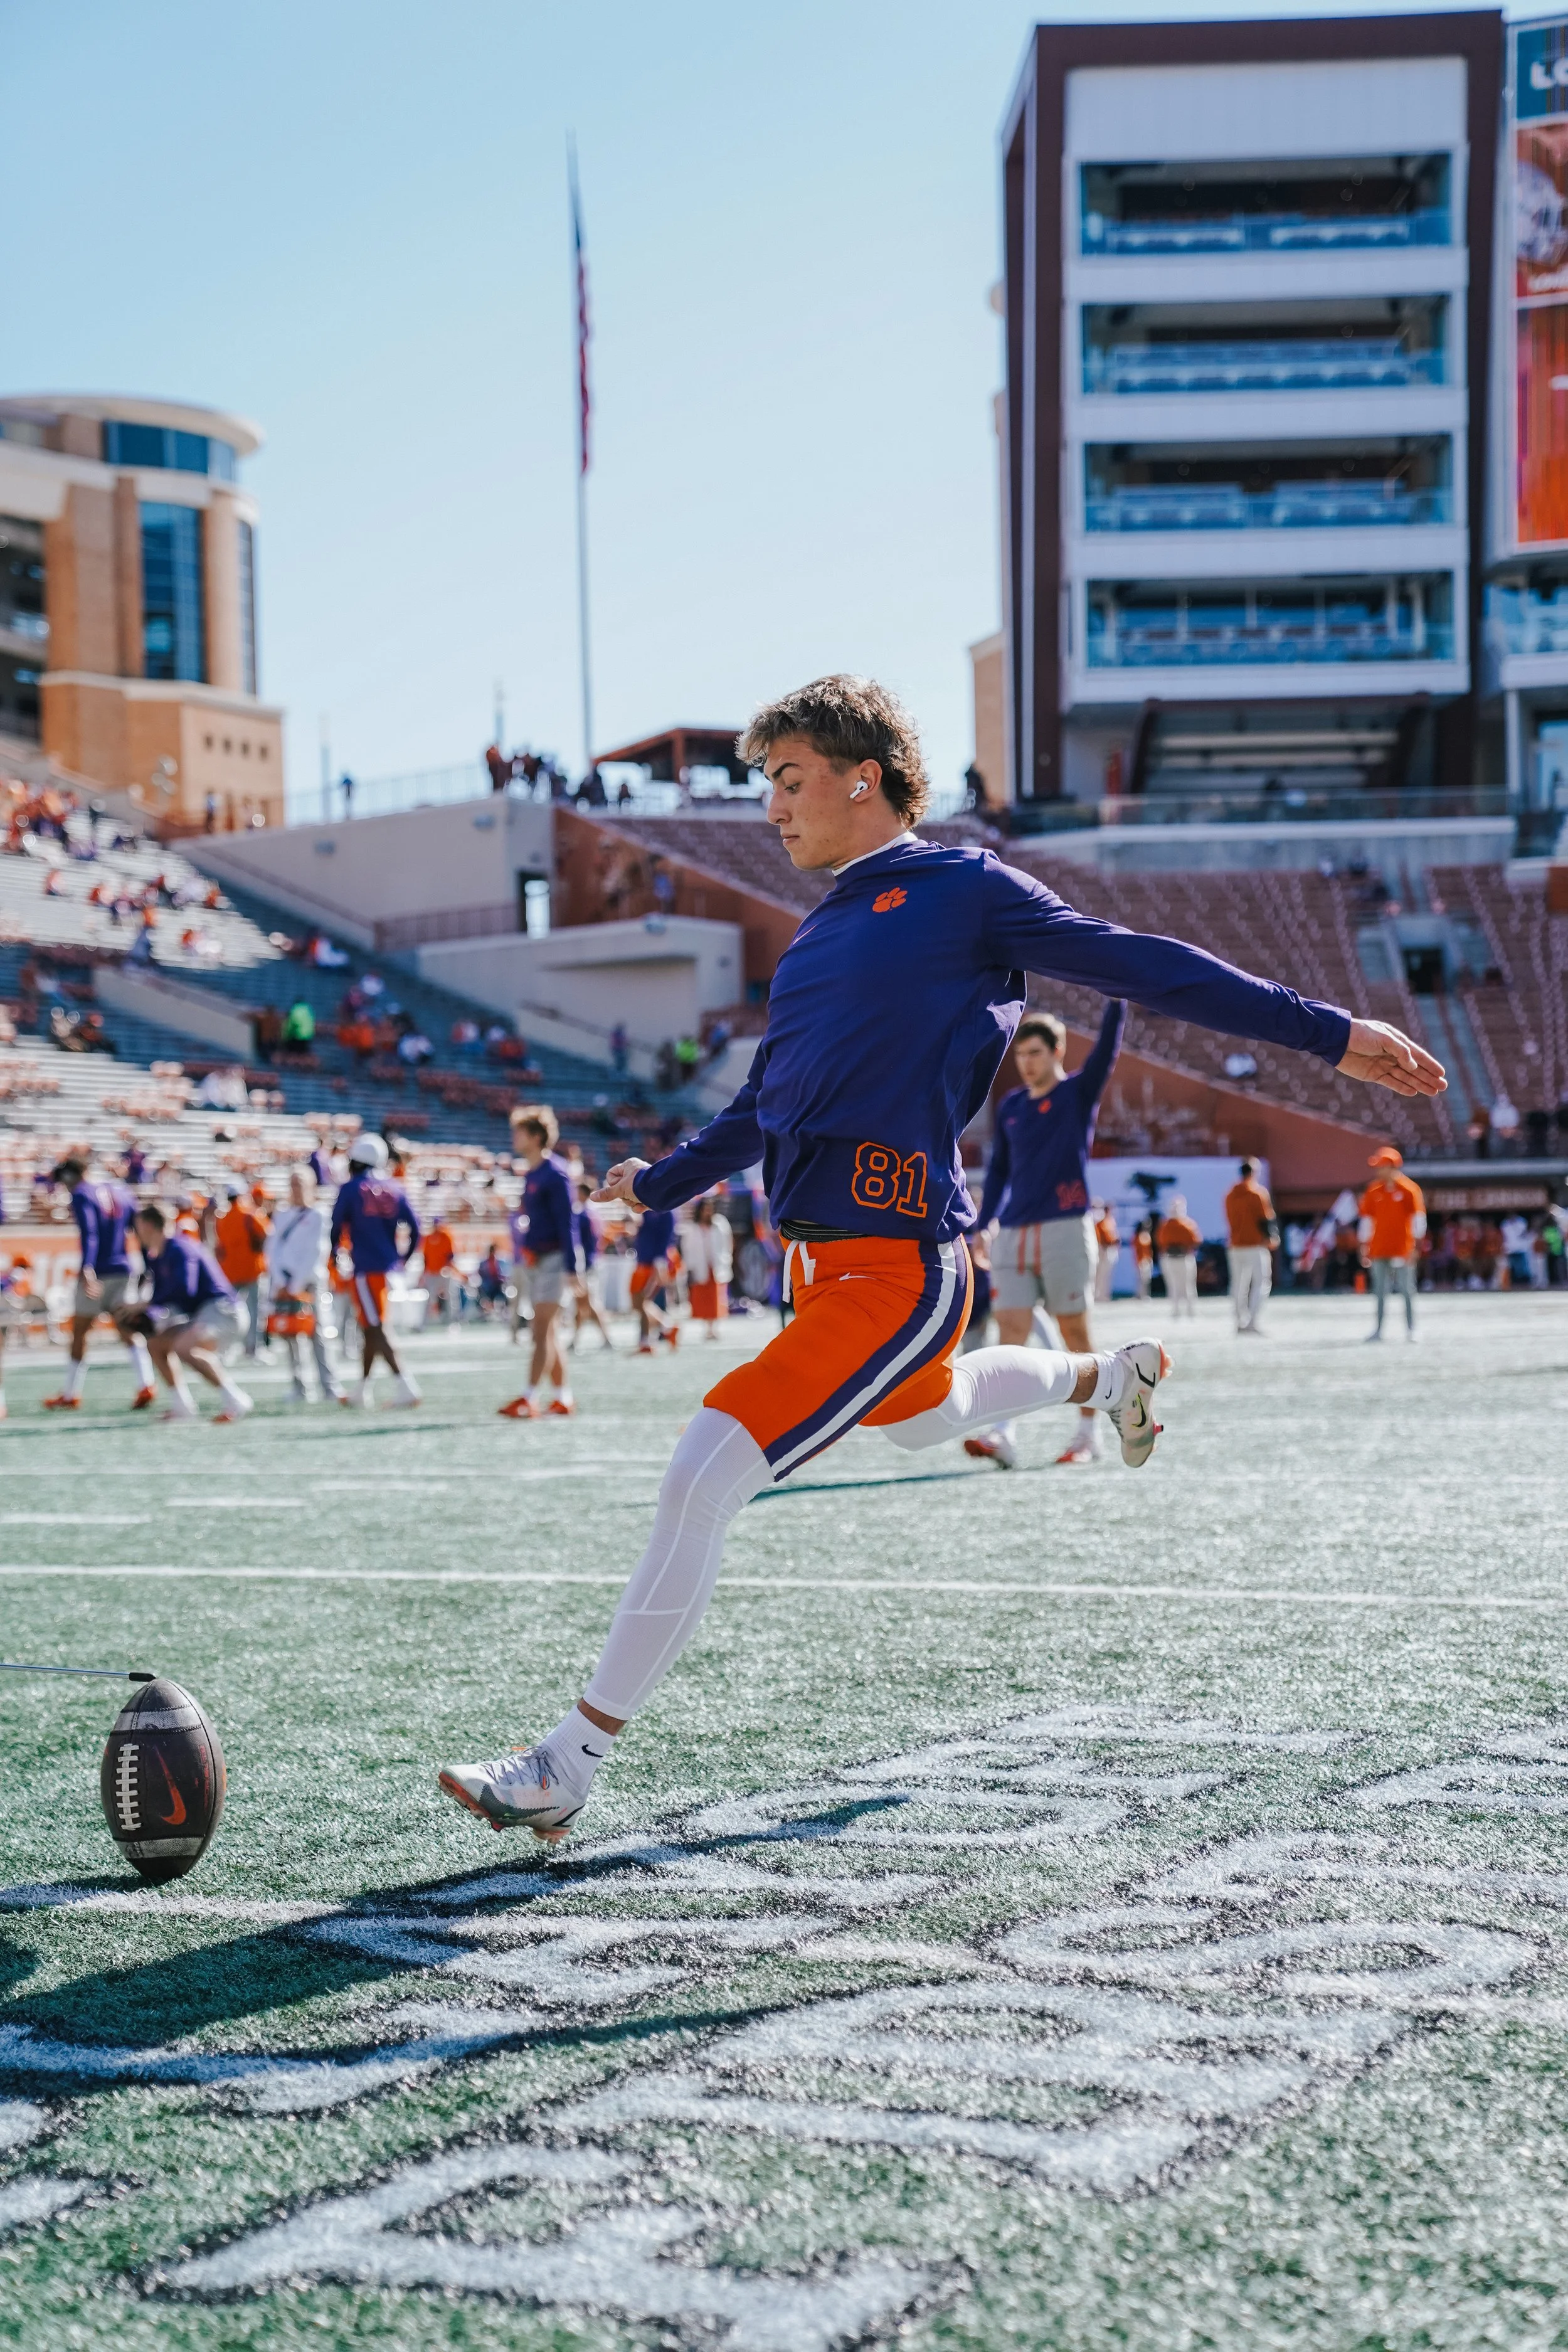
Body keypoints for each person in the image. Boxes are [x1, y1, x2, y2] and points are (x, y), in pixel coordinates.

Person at [436, 671, 1444, 1841]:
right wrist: (657, 1184)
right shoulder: (816, 936)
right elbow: (764, 1105)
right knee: (918, 1418)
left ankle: (568, 1763)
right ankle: (1098, 1376)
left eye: (791, 779)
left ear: (865, 779)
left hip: (897, 1267)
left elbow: (1145, 964)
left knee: (701, 1474)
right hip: (824, 1269)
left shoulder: (963, 890)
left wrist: (1330, 1035)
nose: (773, 807)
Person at [966, 1000, 1126, 1470]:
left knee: (1075, 1333)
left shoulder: (1078, 1094)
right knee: (1010, 1335)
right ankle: (1003, 1435)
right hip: (1014, 1231)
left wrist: (1116, 995)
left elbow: (1107, 1052)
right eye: (1021, 1054)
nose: (1026, 1062)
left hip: (1065, 1227)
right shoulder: (1013, 1105)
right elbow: (997, 1173)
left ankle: (1087, 1433)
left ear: (1057, 1051)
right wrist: (983, 1226)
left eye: (1035, 1052)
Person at [42, 1155, 157, 1411]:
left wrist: (88, 1268)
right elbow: (138, 1231)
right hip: (123, 1269)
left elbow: (90, 1233)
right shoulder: (121, 1190)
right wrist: (150, 1267)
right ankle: (146, 1383)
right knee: (127, 1328)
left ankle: (71, 1393)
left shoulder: (83, 1193)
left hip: (99, 1272)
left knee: (80, 1331)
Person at [128, 1205, 251, 1422]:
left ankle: (235, 1399)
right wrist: (148, 1312)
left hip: (224, 1311)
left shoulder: (180, 1248)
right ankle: (182, 1406)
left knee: (185, 1347)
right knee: (156, 1343)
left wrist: (146, 1305)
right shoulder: (162, 1253)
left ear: (147, 1226)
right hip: (206, 1312)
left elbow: (185, 1289)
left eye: (138, 1227)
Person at [330, 1133, 422, 1407]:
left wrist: (334, 1254)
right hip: (391, 1269)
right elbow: (416, 1228)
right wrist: (403, 1259)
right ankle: (362, 1389)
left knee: (378, 1328)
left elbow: (336, 1227)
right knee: (370, 1329)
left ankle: (406, 1385)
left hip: (367, 1269)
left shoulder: (351, 1188)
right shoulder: (395, 1186)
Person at [498, 1107, 577, 1418]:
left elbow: (566, 1223)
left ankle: (529, 1397)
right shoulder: (533, 1173)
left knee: (540, 1329)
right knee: (550, 1331)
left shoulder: (554, 1173)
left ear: (536, 1137)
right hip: (539, 1258)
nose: (514, 1137)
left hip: (555, 1259)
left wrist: (572, 1267)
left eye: (520, 1132)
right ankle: (563, 1397)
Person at [266, 1166, 342, 1402]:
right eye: (293, 1184)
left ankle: (329, 1386)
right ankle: (301, 1388)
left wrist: (296, 1284)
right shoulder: (282, 1214)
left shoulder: (318, 1214)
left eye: (300, 1184)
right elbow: (273, 1249)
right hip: (285, 1283)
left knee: (318, 1333)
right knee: (290, 1335)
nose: (296, 1189)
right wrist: (281, 1280)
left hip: (309, 1283)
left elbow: (317, 1251)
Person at [1359, 1146, 1426, 1341]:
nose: (1378, 1170)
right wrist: (1364, 1245)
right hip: (1379, 1249)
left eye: (1381, 1166)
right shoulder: (1373, 1190)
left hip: (1402, 1249)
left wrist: (1416, 1247)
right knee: (1379, 1291)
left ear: (1392, 1166)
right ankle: (1379, 1329)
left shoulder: (1409, 1189)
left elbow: (1418, 1220)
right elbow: (1367, 1220)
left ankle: (1412, 1328)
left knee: (1407, 1289)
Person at [214, 1182, 270, 1359]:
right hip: (252, 1270)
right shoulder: (251, 1214)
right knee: (255, 1311)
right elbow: (268, 1233)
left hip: (230, 1272)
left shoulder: (222, 1218)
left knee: (231, 1312)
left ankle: (228, 1348)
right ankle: (253, 1347)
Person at [1224, 1158, 1277, 1335]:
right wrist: (1271, 1237)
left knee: (1238, 1285)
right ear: (1253, 1172)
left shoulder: (1230, 1195)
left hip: (1235, 1245)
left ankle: (1239, 1321)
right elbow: (1266, 1219)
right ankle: (1252, 1321)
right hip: (1255, 1245)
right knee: (1261, 1283)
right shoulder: (1257, 1193)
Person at [567, 1179, 613, 1350]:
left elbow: (578, 1242)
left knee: (587, 1303)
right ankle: (576, 1339)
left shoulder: (582, 1215)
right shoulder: (593, 1213)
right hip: (593, 1261)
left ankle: (605, 1338)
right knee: (583, 1304)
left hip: (585, 1263)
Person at [679, 1194, 733, 1338]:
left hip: (716, 1265)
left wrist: (727, 1259)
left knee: (717, 1298)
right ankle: (707, 1328)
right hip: (700, 1266)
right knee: (703, 1299)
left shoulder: (720, 1224)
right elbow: (687, 1248)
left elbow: (727, 1243)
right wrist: (689, 1266)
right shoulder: (693, 1228)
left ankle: (714, 1328)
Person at [630, 1205, 678, 1352]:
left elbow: (666, 1237)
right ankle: (666, 1326)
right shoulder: (649, 1209)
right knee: (638, 1302)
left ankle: (646, 1341)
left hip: (653, 1263)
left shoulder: (667, 1211)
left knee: (642, 1301)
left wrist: (660, 1262)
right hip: (643, 1261)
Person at [1157, 1195, 1202, 1318]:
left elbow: (1196, 1240)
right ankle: (1179, 1311)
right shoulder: (1169, 1225)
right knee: (1176, 1286)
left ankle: (1190, 1311)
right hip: (1174, 1258)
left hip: (1183, 1257)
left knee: (1186, 1286)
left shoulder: (1185, 1225)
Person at [421, 1217, 457, 1322]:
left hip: (444, 1272)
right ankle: (425, 1322)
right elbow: (425, 1258)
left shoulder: (446, 1237)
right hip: (432, 1272)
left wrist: (447, 1268)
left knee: (450, 1296)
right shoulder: (428, 1238)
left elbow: (450, 1255)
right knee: (429, 1297)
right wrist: (424, 1273)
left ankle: (453, 1320)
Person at [1093, 1201, 1119, 1304]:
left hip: (1111, 1249)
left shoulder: (1111, 1221)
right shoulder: (1100, 1222)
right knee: (1100, 1274)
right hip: (1103, 1249)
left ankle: (1105, 1295)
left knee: (1107, 1275)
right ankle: (1098, 1295)